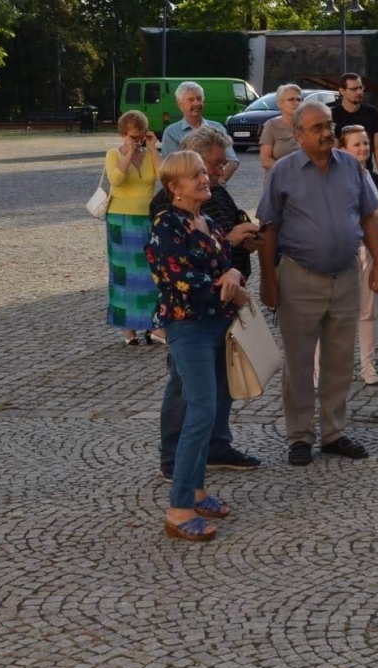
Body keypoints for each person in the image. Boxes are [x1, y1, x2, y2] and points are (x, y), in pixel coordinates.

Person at [259, 102, 378, 465]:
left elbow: (368, 218)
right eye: (316, 128)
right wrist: (269, 279)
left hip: (345, 277)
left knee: (340, 361)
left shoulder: (350, 166)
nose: (326, 132)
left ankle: (333, 432)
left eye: (328, 125)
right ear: (298, 135)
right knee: (299, 364)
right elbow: (267, 230)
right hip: (299, 278)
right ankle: (299, 436)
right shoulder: (282, 173)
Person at [150, 126, 263, 479]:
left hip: (221, 312)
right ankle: (175, 463)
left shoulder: (216, 199)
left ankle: (213, 447)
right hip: (188, 317)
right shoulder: (165, 210)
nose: (217, 172)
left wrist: (239, 252)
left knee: (218, 383)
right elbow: (175, 269)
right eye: (210, 166)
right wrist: (227, 260)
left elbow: (219, 246)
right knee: (185, 388)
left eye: (213, 167)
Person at [147, 150, 246, 542]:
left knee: (215, 405)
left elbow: (227, 264)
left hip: (217, 325)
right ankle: (178, 507)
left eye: (204, 172)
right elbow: (175, 278)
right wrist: (227, 289)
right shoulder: (166, 225)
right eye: (195, 175)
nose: (205, 178)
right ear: (175, 187)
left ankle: (197, 488)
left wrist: (234, 274)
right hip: (187, 327)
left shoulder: (204, 220)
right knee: (200, 408)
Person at [104, 110, 163, 345]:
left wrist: (152, 148)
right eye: (133, 137)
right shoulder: (113, 154)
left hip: (146, 219)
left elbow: (165, 175)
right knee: (124, 274)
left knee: (150, 273)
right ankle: (128, 327)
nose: (137, 141)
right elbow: (116, 180)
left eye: (141, 137)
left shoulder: (149, 153)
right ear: (123, 135)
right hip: (120, 220)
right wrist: (128, 153)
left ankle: (151, 323)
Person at [341, 125, 378, 384]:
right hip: (342, 253)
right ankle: (321, 369)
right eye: (356, 144)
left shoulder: (375, 179)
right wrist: (371, 216)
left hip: (369, 251)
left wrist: (364, 216)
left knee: (368, 312)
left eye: (365, 143)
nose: (363, 148)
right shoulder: (334, 179)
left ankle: (368, 365)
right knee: (333, 314)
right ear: (342, 149)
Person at [162, 81, 239, 182]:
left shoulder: (217, 128)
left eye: (199, 99)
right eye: (191, 100)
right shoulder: (171, 133)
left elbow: (232, 161)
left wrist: (218, 184)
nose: (197, 103)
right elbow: (171, 169)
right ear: (180, 104)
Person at [334, 72, 378, 173]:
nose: (359, 92)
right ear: (342, 91)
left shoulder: (372, 112)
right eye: (354, 89)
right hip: (342, 174)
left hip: (366, 172)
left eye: (361, 88)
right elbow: (334, 150)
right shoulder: (333, 115)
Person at [258, 83, 302, 169]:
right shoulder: (271, 126)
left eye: (299, 99)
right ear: (280, 103)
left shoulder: (307, 125)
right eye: (291, 99)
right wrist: (288, 170)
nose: (296, 103)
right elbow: (265, 160)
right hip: (278, 177)